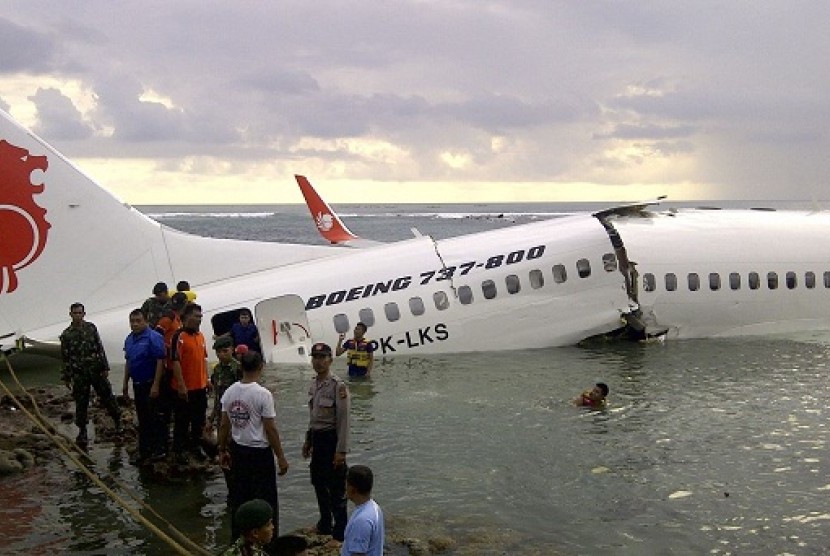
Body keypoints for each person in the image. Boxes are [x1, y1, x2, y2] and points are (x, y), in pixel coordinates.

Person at [218, 351, 289, 551]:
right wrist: (281, 457)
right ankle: (268, 546)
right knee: (266, 502)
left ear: (241, 367)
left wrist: (222, 450)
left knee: (239, 500)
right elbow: (270, 428)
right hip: (259, 454)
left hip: (238, 451)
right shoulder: (262, 394)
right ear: (261, 367)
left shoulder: (230, 392)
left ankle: (237, 543)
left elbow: (224, 425)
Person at [303, 342, 350, 547]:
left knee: (337, 488)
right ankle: (324, 524)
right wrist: (308, 440)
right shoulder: (314, 383)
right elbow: (313, 416)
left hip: (332, 439)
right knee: (318, 482)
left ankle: (340, 534)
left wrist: (341, 450)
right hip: (318, 439)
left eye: (323, 357)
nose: (318, 361)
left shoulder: (337, 385)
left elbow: (344, 420)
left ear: (330, 360)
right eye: (315, 357)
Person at [59, 302, 122, 445]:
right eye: (75, 313)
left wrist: (105, 366)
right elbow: (65, 357)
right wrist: (66, 377)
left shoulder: (91, 328)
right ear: (70, 314)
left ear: (84, 314)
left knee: (107, 396)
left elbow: (99, 347)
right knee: (81, 403)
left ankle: (118, 421)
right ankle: (82, 431)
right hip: (79, 373)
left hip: (96, 370)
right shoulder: (66, 335)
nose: (78, 316)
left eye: (80, 313)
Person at [121, 308, 167, 464]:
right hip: (137, 383)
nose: (135, 324)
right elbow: (128, 361)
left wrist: (156, 385)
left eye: (138, 321)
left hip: (151, 382)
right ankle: (145, 450)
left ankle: (160, 449)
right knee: (143, 418)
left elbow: (160, 361)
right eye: (132, 321)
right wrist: (125, 384)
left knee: (155, 417)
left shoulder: (154, 337)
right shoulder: (129, 339)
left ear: (146, 321)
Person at [170, 302, 210, 464]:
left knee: (198, 419)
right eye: (196, 316)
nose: (199, 319)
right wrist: (181, 385)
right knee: (182, 419)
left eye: (200, 316)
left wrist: (207, 378)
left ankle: (195, 446)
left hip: (199, 386)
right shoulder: (179, 336)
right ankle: (179, 449)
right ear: (186, 317)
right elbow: (175, 361)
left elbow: (204, 358)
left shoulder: (200, 336)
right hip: (184, 388)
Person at [153, 291, 188, 456]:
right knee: (165, 407)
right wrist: (166, 350)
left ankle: (174, 442)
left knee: (175, 406)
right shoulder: (168, 318)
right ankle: (163, 443)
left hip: (175, 365)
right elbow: (157, 334)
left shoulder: (178, 319)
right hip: (167, 366)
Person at [342, 465, 384, 556]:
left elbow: (358, 553)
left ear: (352, 489)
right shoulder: (374, 507)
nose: (345, 487)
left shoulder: (362, 521)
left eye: (346, 484)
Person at [209, 335, 242, 431]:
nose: (221, 355)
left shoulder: (238, 368)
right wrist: (212, 418)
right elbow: (217, 395)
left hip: (236, 412)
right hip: (221, 412)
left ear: (232, 349)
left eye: (225, 351)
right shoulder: (217, 369)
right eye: (218, 352)